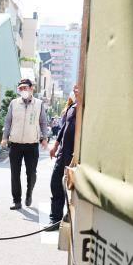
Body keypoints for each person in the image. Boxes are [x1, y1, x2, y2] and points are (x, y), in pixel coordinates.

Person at [0, 78, 49, 210]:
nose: (23, 90)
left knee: (31, 173)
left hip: (32, 144)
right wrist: (4, 137)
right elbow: (8, 122)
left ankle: (29, 193)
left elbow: (43, 122)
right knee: (15, 173)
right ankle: (17, 200)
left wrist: (44, 138)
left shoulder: (38, 104)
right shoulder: (14, 103)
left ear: (31, 88)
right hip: (15, 144)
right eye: (20, 88)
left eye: (25, 87)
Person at [49, 86, 79, 225]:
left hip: (76, 156)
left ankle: (69, 219)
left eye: (78, 87)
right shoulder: (72, 107)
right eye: (74, 88)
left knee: (72, 189)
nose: (75, 90)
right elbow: (62, 130)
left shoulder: (86, 107)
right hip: (63, 154)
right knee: (55, 183)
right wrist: (55, 146)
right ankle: (55, 218)